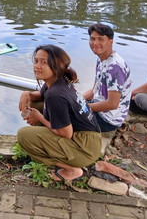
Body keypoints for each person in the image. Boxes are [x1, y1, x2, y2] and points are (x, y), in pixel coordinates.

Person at [17, 45, 101, 182]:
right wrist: (26, 94)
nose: (37, 66)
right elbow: (40, 95)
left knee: (24, 136)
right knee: (34, 104)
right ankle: (54, 147)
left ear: (55, 66)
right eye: (36, 61)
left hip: (85, 149)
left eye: (43, 62)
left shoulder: (55, 95)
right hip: (90, 138)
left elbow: (66, 134)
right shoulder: (58, 80)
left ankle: (73, 170)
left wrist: (39, 117)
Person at [82, 24, 132, 132]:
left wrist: (82, 107)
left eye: (101, 39)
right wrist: (77, 100)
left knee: (63, 120)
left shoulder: (115, 67)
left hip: (107, 119)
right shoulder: (102, 59)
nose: (95, 43)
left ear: (111, 41)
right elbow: (93, 91)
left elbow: (112, 104)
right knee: (64, 107)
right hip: (98, 107)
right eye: (92, 39)